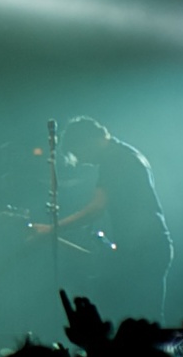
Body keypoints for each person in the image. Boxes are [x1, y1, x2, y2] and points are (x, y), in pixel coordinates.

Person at [31, 115, 171, 322]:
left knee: (136, 319)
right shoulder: (122, 155)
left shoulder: (116, 160)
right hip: (146, 247)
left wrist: (53, 229)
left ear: (88, 141)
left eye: (79, 153)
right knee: (142, 319)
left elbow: (96, 208)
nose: (82, 161)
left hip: (144, 250)